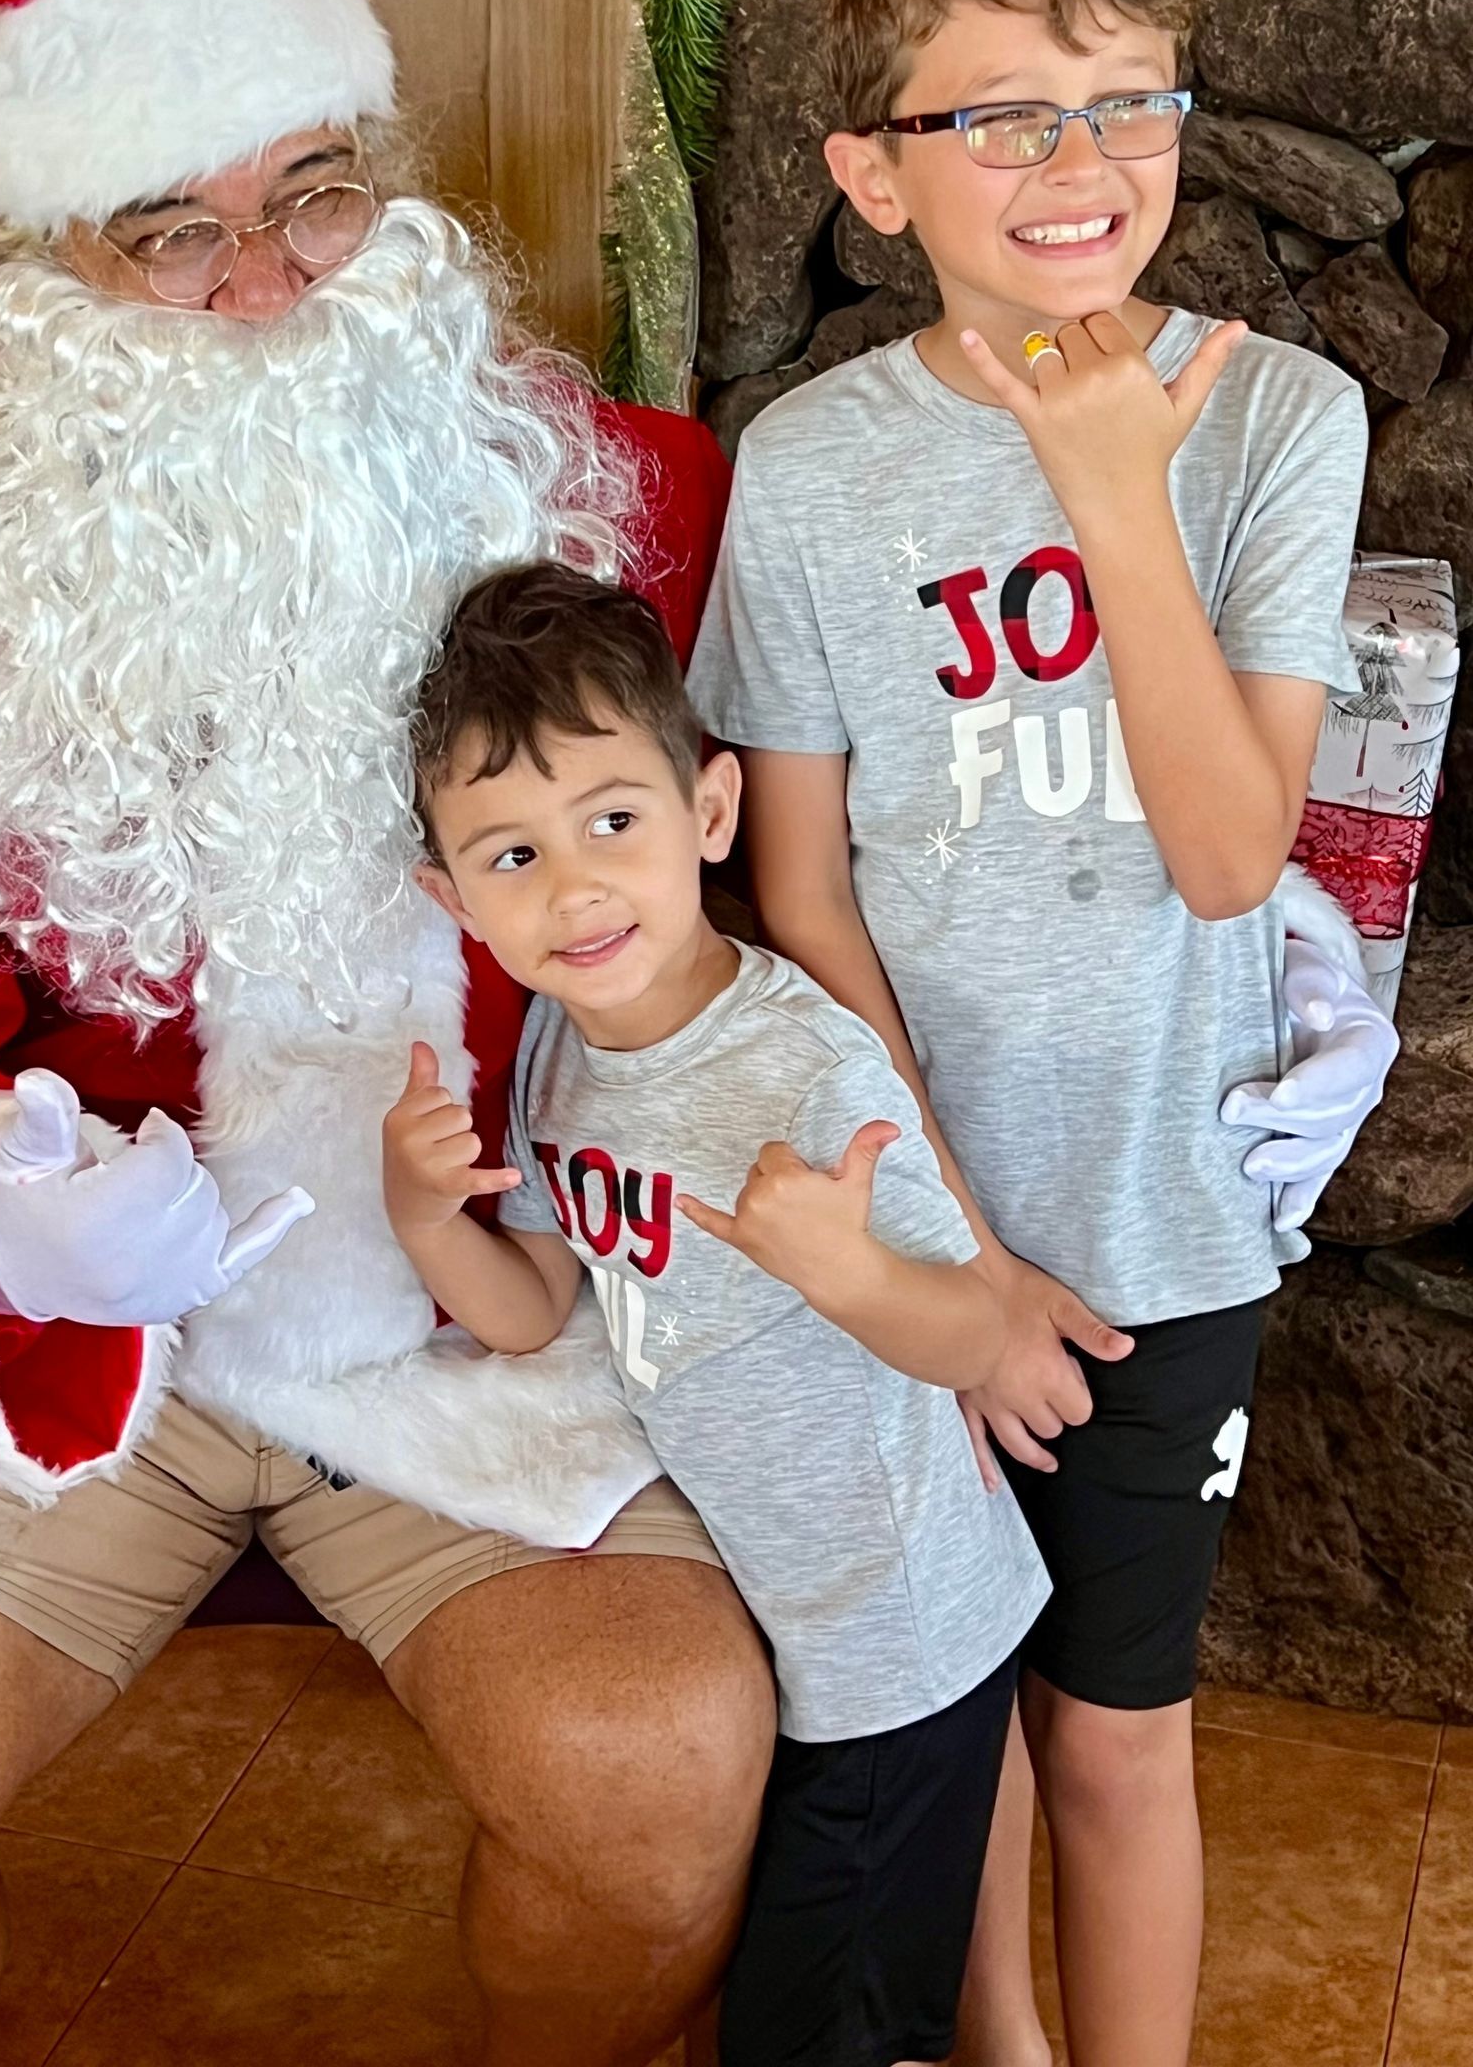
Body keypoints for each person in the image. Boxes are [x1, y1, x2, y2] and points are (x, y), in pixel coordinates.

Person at [0, 0, 778, 2067]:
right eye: (171, 224)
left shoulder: (643, 505)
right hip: (68, 1336)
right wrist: (3, 1202)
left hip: (508, 1303)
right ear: (39, 276)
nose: (267, 280)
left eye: (319, 190)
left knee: (653, 1758)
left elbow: (853, 869)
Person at [685, 0, 1396, 2067]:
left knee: (1114, 1723)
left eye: (1129, 93)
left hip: (1167, 1215)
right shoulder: (804, 468)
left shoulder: (1281, 419)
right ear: (876, 170)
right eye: (1001, 108)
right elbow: (799, 887)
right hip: (915, 1214)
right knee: (953, 1709)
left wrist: (1111, 482)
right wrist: (947, 1246)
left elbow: (1225, 848)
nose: (1078, 156)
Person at [385, 561, 1053, 2067]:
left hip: (891, 1644)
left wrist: (855, 1273)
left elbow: (971, 1342)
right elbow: (531, 1302)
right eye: (510, 855)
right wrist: (428, 1219)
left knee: (823, 2035)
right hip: (783, 1629)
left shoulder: (802, 1072)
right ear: (450, 898)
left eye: (613, 821)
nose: (573, 889)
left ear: (712, 814)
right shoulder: (561, 1045)